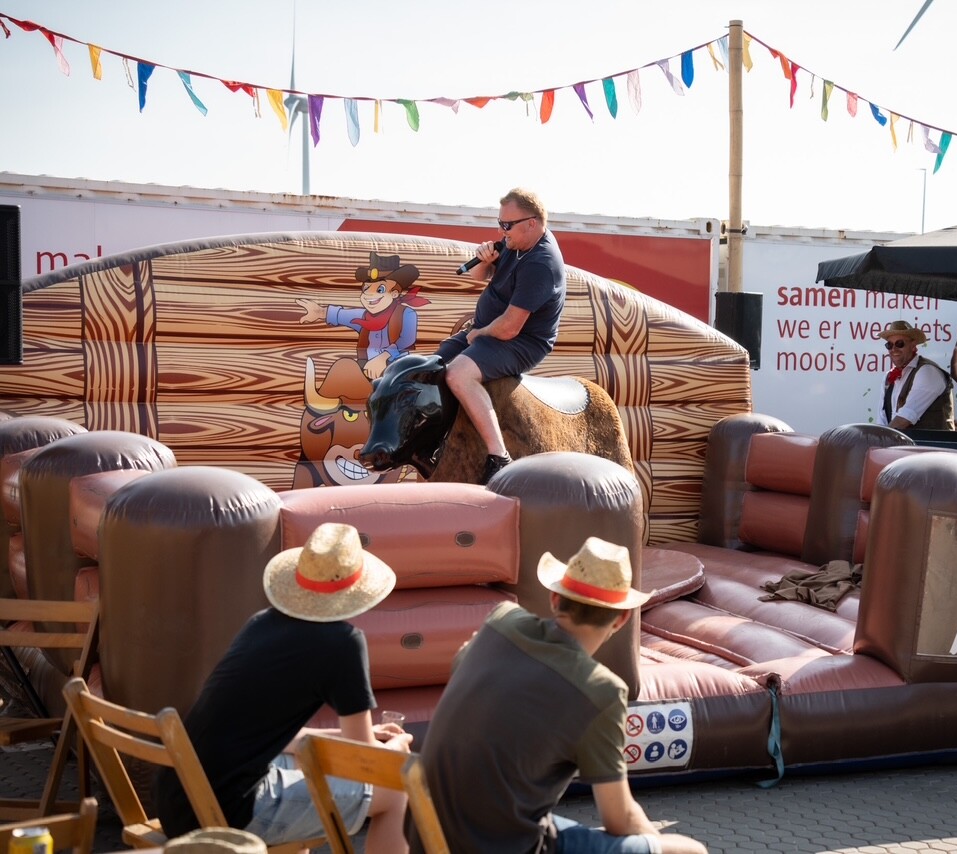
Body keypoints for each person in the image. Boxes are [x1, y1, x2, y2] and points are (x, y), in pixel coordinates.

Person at [411, 537, 708, 854]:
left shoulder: (500, 621)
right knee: (688, 851)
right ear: (622, 619)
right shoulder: (600, 691)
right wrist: (653, 842)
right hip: (507, 845)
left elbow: (462, 667)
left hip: (427, 833)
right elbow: (619, 818)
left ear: (555, 598)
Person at [155, 523, 413, 853]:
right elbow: (362, 760)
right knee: (396, 786)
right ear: (356, 590)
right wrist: (396, 750)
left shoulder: (261, 624)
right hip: (228, 812)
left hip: (178, 800)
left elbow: (281, 738)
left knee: (305, 764)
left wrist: (357, 734)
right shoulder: (344, 643)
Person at [437, 188, 566, 484]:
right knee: (430, 366)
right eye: (499, 223)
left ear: (531, 223)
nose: (501, 231)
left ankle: (498, 455)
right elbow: (477, 276)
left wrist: (479, 332)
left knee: (458, 374)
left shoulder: (541, 263)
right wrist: (484, 260)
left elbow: (509, 328)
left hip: (521, 342)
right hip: (487, 331)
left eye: (507, 224)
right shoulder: (515, 242)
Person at [296, 252, 430, 380]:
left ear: (394, 293)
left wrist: (383, 358)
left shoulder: (406, 314)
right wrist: (319, 312)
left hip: (397, 371)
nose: (369, 294)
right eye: (366, 288)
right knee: (343, 366)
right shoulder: (363, 317)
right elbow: (341, 315)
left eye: (380, 290)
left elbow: (406, 340)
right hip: (367, 369)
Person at [876, 319, 955, 430]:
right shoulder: (888, 377)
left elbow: (906, 417)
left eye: (899, 343)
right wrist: (879, 437)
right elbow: (882, 419)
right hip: (899, 441)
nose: (893, 349)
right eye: (889, 345)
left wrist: (883, 437)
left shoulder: (928, 371)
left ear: (913, 346)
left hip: (931, 441)